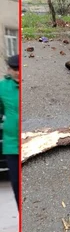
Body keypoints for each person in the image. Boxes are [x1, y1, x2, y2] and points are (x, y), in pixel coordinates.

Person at [0, 55, 19, 209]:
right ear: (9, 70)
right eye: (14, 69)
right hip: (12, 146)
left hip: (27, 139)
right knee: (17, 187)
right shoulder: (3, 87)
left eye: (19, 69)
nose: (18, 72)